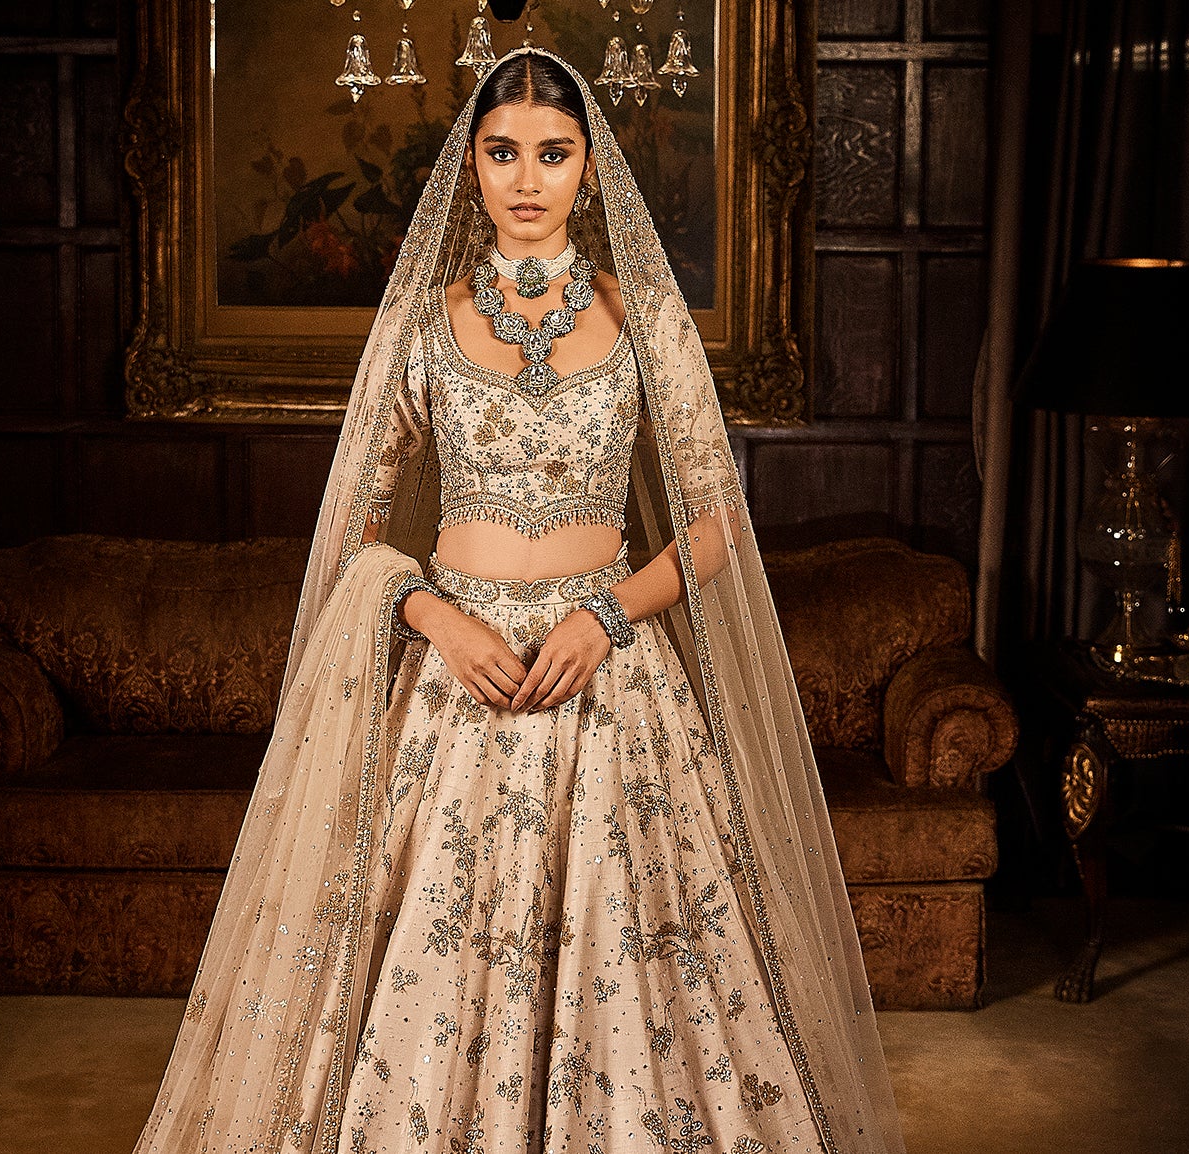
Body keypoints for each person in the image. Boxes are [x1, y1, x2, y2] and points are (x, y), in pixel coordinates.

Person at [133, 47, 905, 1154]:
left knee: (638, 977)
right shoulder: (422, 324)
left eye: (553, 154)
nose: (528, 179)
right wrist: (434, 614)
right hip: (460, 689)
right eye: (504, 154)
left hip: (610, 684)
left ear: (590, 172)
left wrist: (605, 616)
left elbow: (715, 523)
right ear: (473, 169)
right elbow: (354, 531)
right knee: (425, 973)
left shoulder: (643, 318)